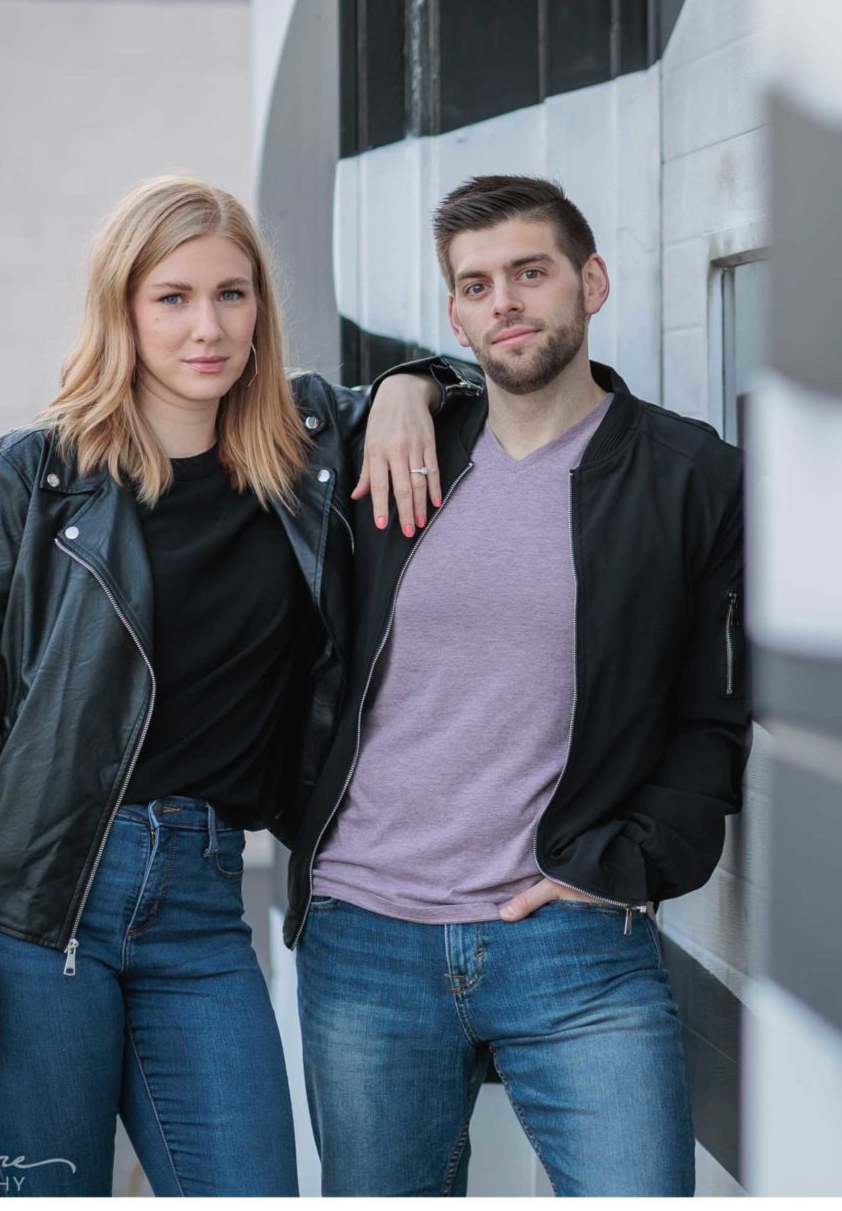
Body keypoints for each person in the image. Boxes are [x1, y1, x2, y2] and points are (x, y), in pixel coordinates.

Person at [0, 174, 441, 1196]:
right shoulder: (31, 474)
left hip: (200, 898)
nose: (209, 326)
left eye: (233, 295)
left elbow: (481, 378)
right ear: (124, 309)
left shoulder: (307, 454)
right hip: (41, 907)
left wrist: (414, 384)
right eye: (174, 297)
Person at [282, 175, 752, 1196]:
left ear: (591, 282)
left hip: (574, 939)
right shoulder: (396, 452)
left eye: (531, 273)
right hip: (367, 935)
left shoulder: (691, 477)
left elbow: (712, 718)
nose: (506, 301)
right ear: (454, 311)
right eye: (477, 283)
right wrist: (405, 381)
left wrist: (625, 867)